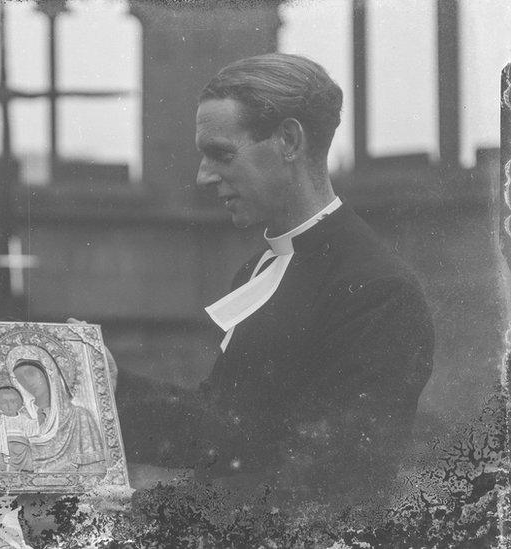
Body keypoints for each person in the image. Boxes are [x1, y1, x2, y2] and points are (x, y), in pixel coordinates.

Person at [120, 54, 434, 500]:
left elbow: (334, 486)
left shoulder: (377, 290)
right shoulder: (259, 270)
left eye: (221, 154)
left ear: (288, 140)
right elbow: (225, 430)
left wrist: (144, 511)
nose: (203, 176)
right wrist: (104, 386)